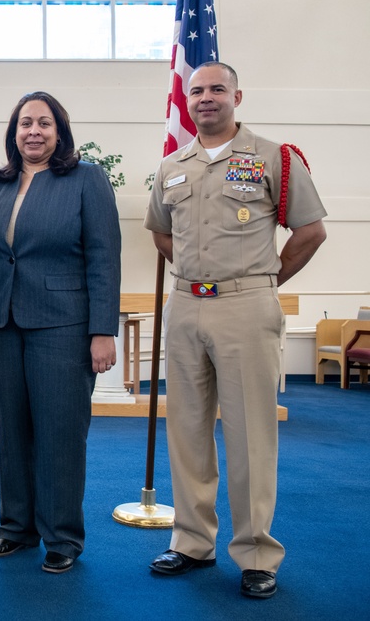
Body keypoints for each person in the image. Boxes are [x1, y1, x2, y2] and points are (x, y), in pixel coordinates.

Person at [144, 62, 326, 599]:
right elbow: (161, 234)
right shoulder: (172, 165)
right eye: (196, 90)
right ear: (188, 100)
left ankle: (256, 553)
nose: (205, 98)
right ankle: (192, 541)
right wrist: (200, 278)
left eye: (217, 89)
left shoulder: (273, 157)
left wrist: (262, 280)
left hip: (246, 309)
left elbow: (310, 231)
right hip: (185, 307)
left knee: (250, 435)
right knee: (188, 430)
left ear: (237, 96)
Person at [0, 91, 121, 574]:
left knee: (60, 432)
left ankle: (62, 537)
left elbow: (103, 257)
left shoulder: (86, 179)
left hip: (64, 325)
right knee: (10, 432)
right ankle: (15, 528)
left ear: (60, 131)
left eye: (44, 123)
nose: (34, 131)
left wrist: (102, 331)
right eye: (25, 123)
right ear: (14, 132)